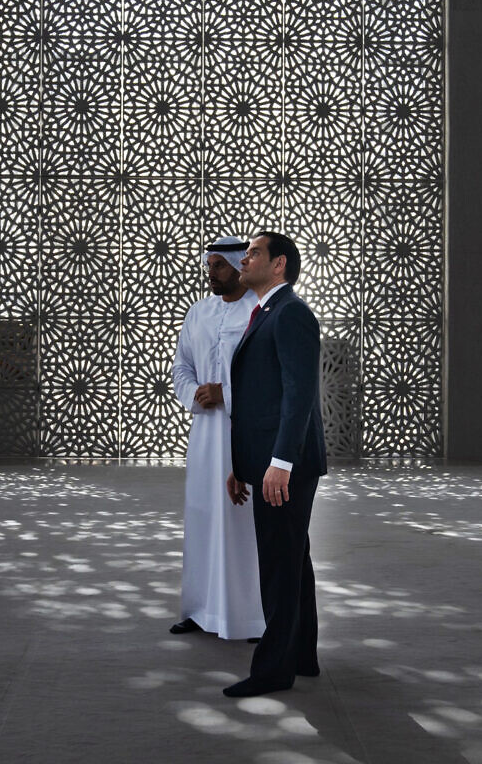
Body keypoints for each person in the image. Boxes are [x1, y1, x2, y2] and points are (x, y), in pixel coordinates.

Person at [223, 231, 327, 698]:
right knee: (293, 560)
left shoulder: (291, 314)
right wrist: (240, 463)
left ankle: (272, 671)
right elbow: (257, 398)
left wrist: (280, 462)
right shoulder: (267, 311)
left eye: (254, 253)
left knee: (280, 565)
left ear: (279, 264)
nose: (243, 259)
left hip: (284, 465)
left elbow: (298, 395)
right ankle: (302, 655)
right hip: (267, 461)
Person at [169, 236, 266, 641]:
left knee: (243, 525)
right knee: (204, 517)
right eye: (209, 266)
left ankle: (251, 618)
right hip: (205, 437)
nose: (212, 273)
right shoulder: (199, 312)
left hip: (246, 433)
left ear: (238, 268)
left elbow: (267, 379)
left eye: (219, 266)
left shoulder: (259, 313)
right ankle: (201, 610)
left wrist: (227, 394)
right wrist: (196, 393)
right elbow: (181, 367)